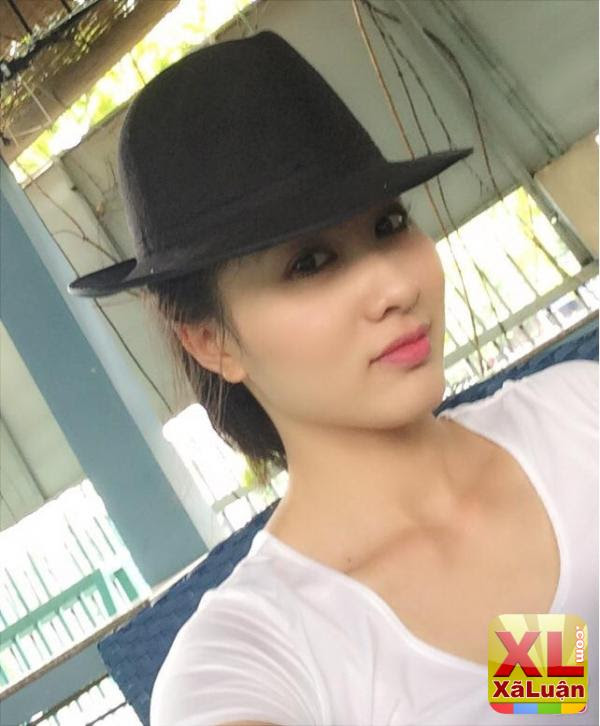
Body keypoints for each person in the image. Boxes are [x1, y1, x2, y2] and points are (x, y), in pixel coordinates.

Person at [67, 31, 598, 726]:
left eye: (389, 224)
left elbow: (551, 688)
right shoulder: (247, 657)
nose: (394, 287)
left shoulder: (577, 414)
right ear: (210, 340)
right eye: (310, 264)